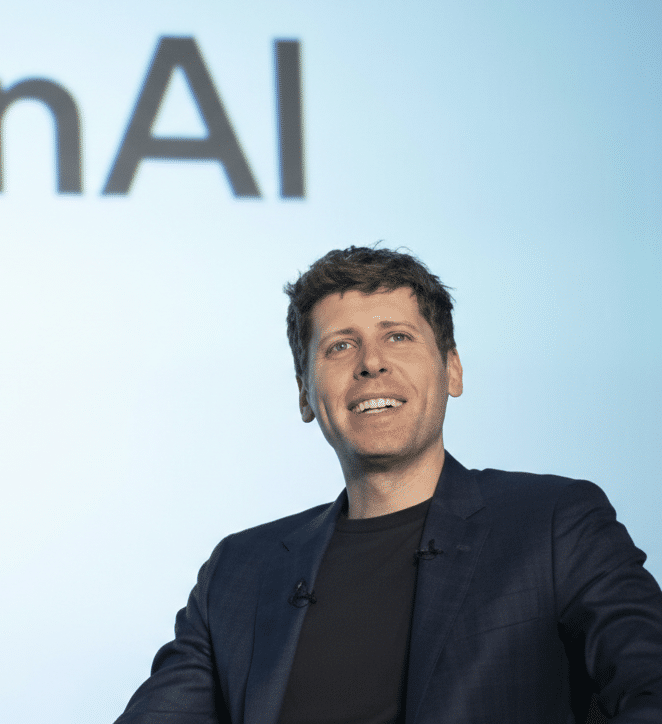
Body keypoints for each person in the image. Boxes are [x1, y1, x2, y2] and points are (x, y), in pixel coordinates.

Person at [113, 246, 662, 723]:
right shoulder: (238, 571)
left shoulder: (553, 524)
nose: (372, 363)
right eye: (339, 347)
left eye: (397, 337)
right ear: (305, 393)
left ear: (453, 370)